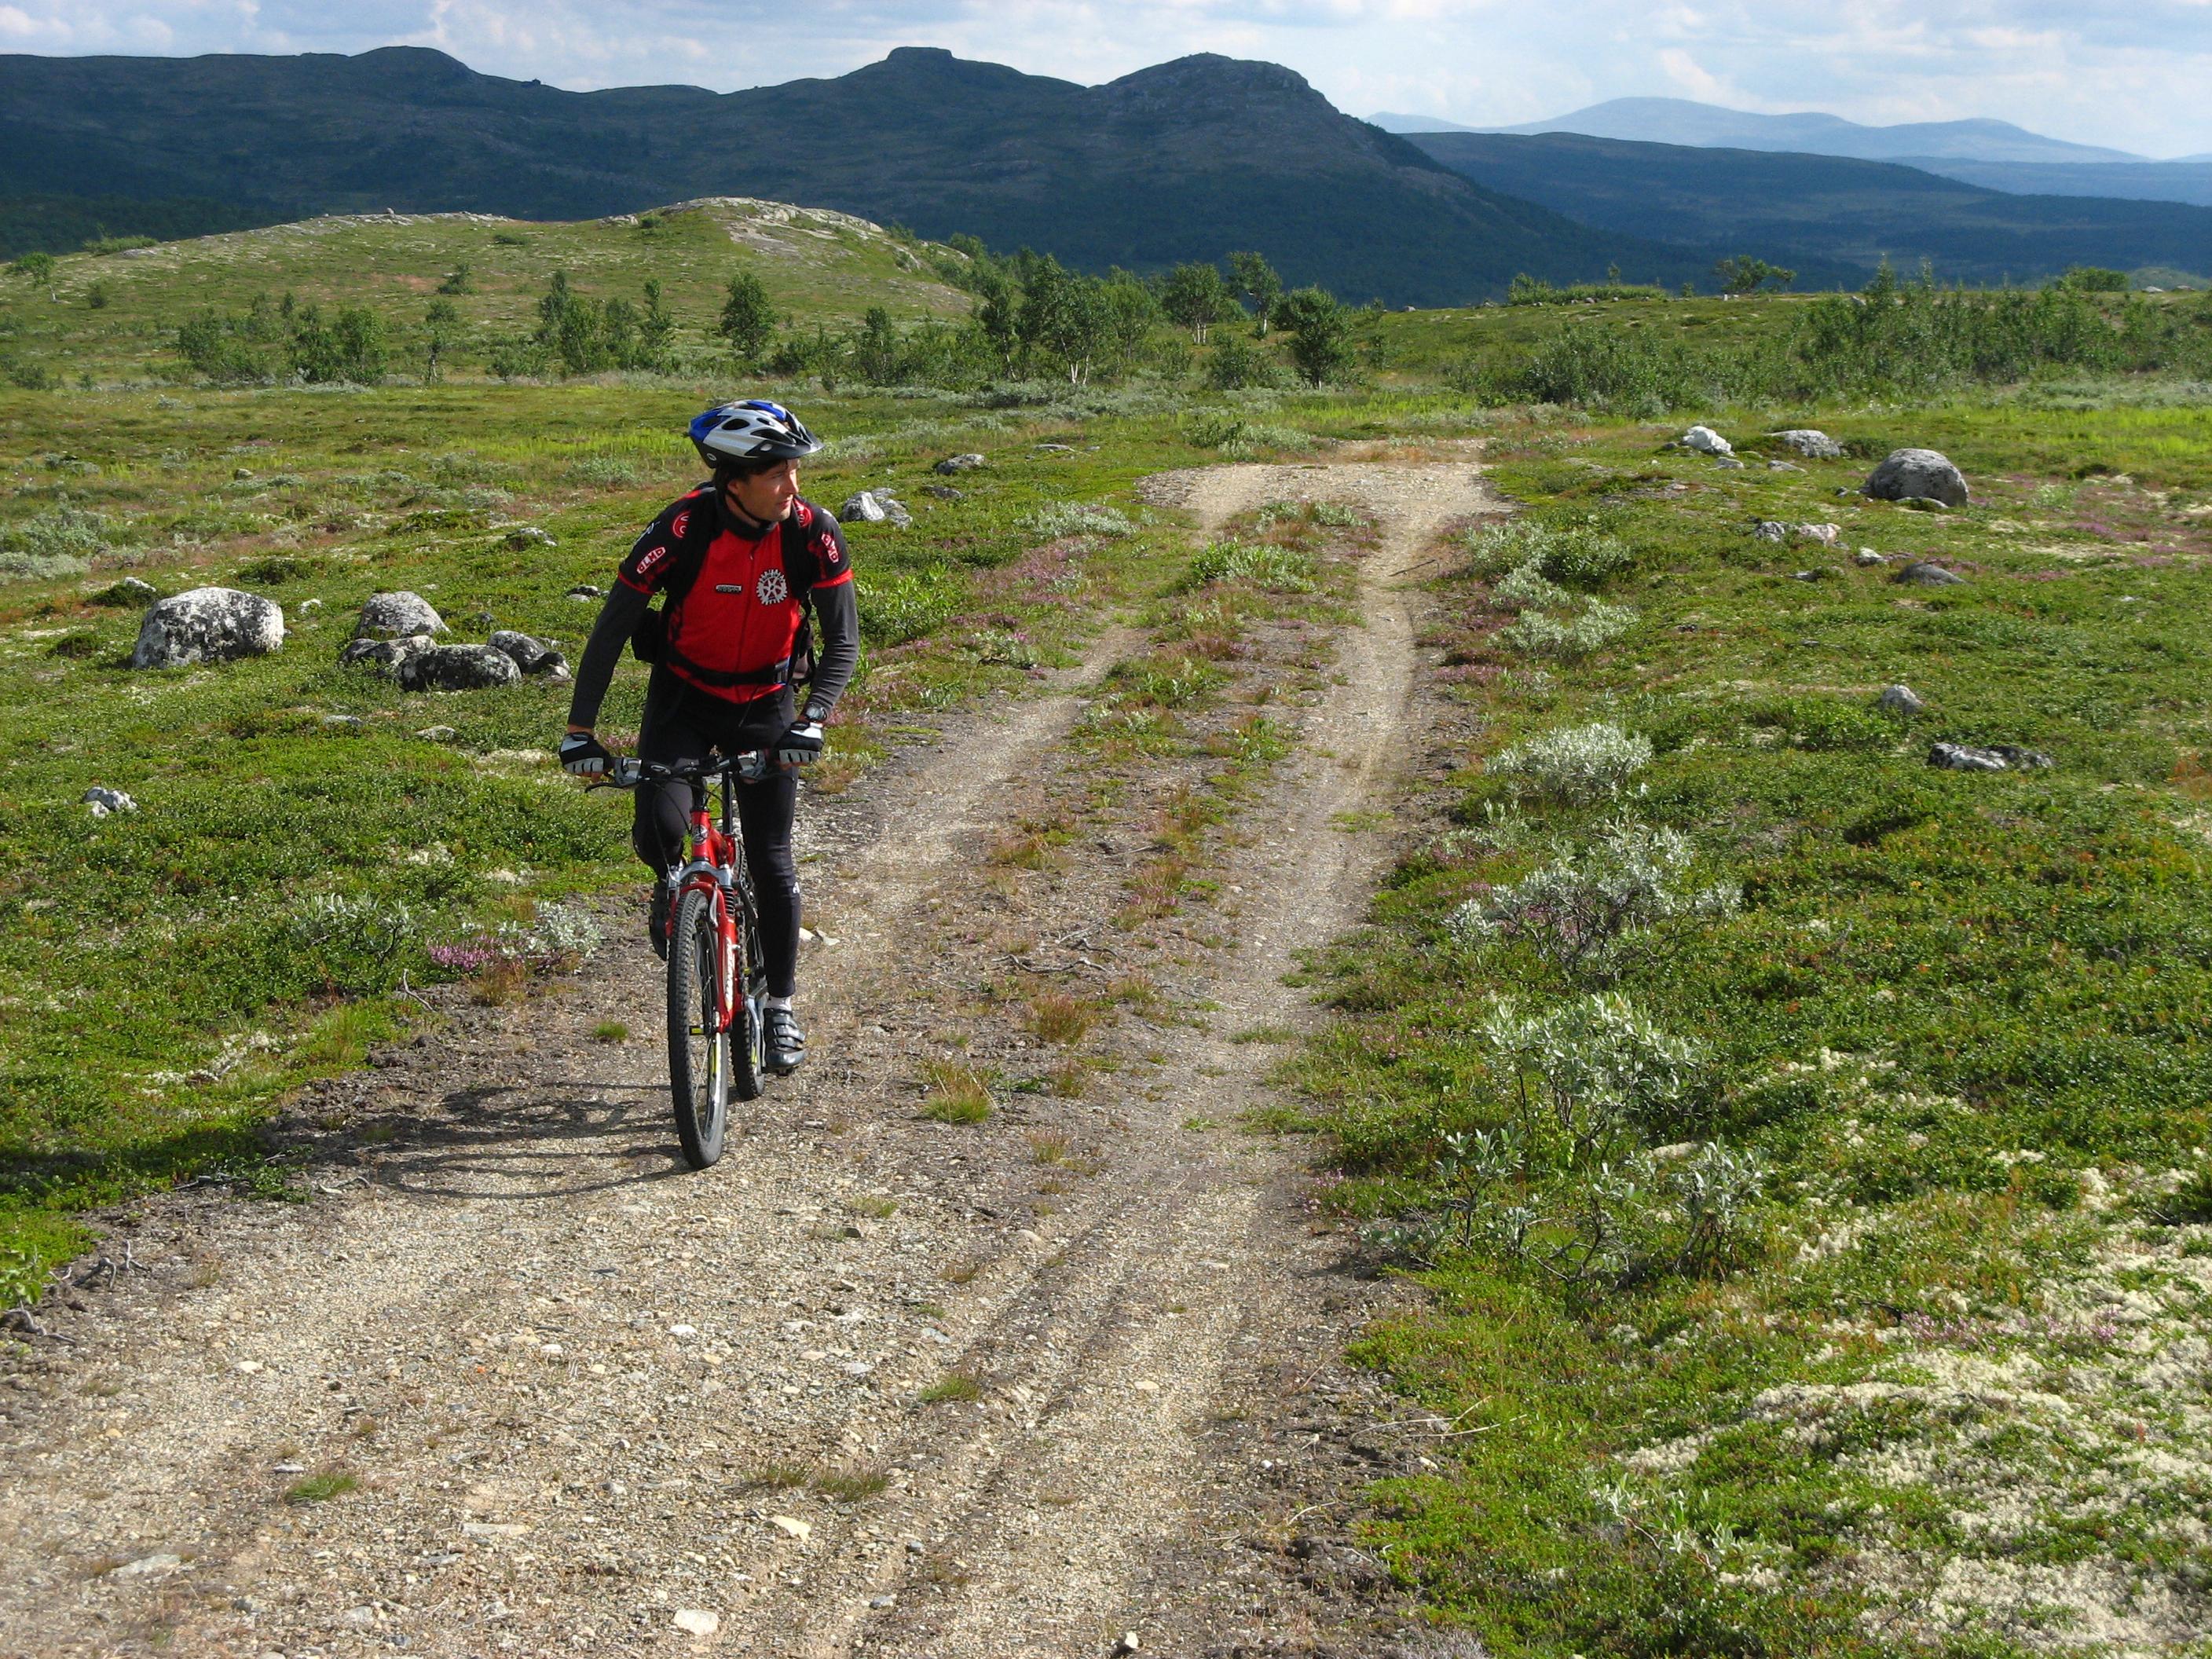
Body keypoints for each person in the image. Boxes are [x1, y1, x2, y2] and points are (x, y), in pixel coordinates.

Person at [557, 400, 859, 1075]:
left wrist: (813, 719)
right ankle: (679, 888)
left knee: (774, 859)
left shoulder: (812, 532)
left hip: (767, 702)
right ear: (734, 480)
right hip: (684, 699)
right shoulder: (683, 527)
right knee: (657, 833)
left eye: (794, 471)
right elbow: (610, 630)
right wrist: (580, 732)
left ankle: (779, 1005)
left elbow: (843, 641)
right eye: (778, 473)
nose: (793, 485)